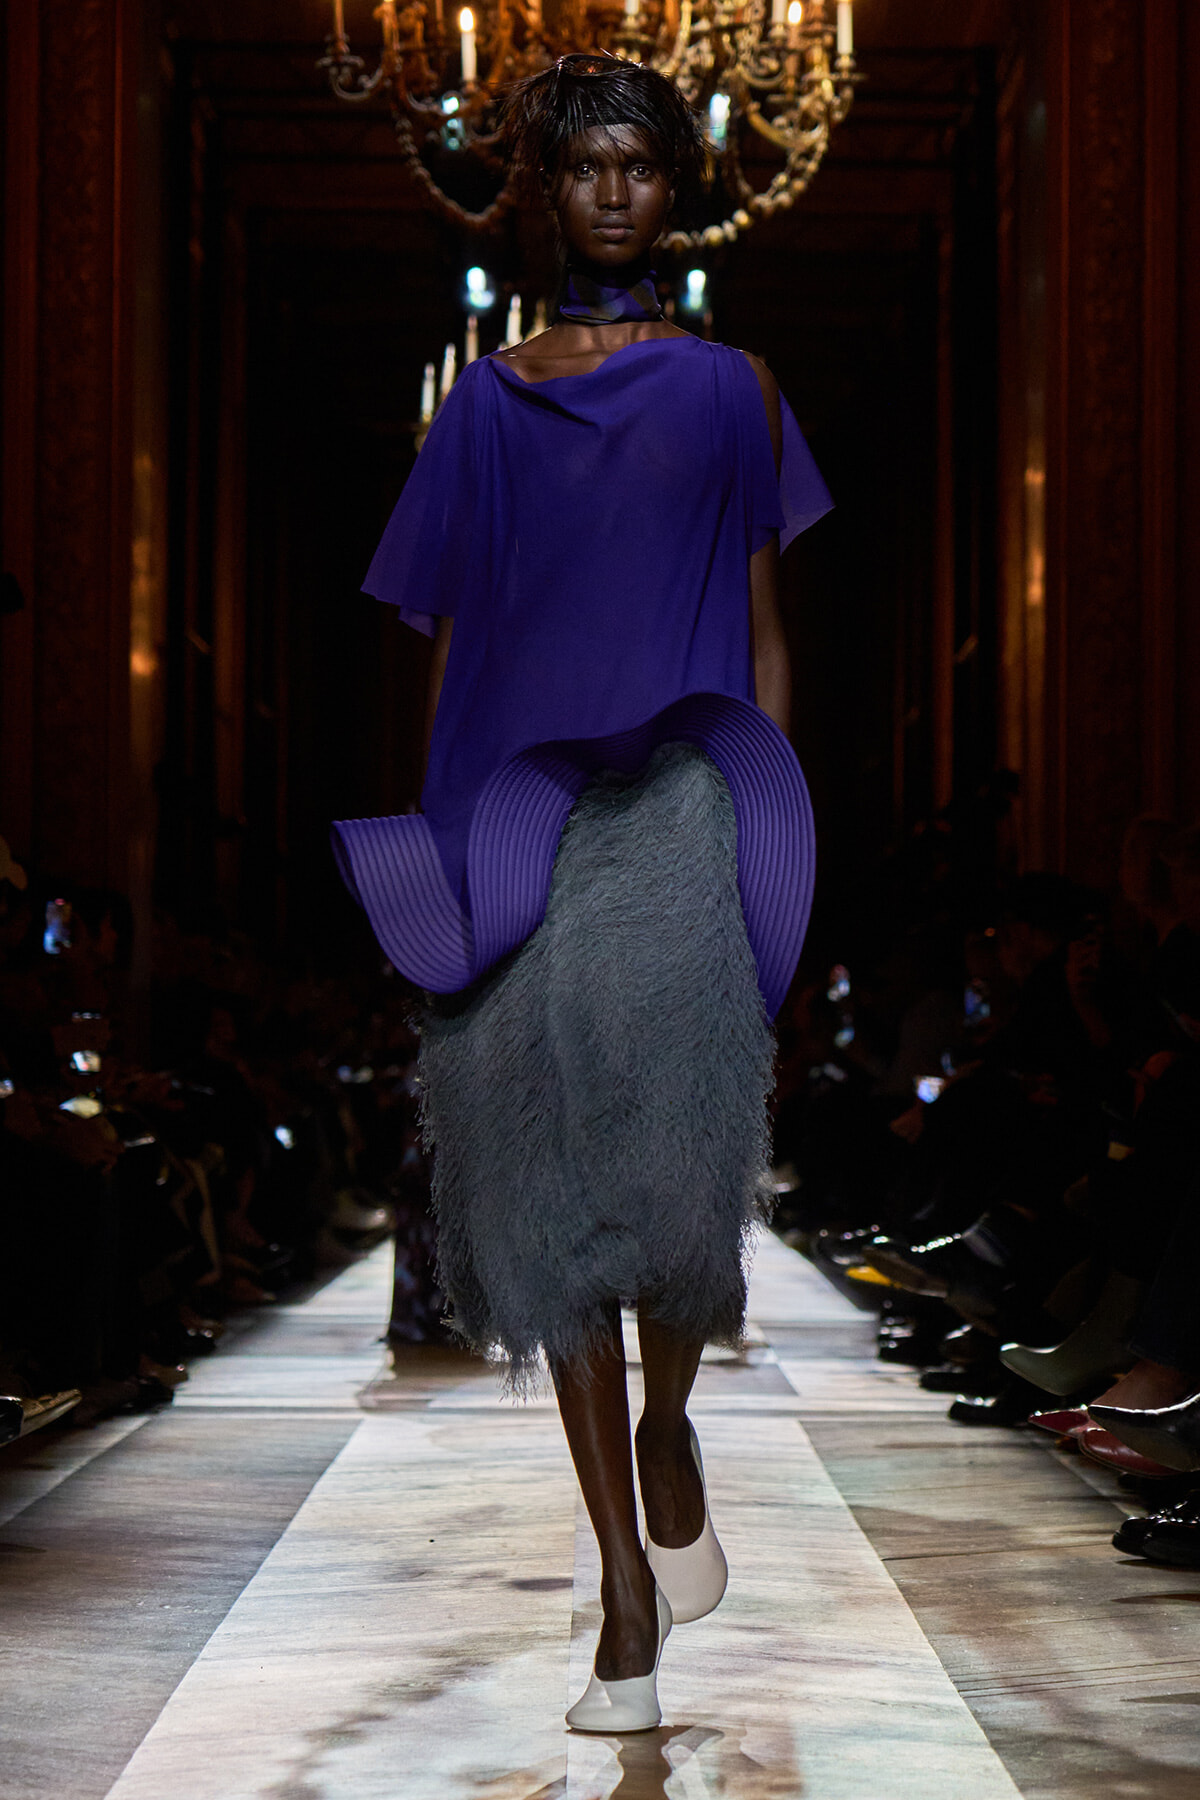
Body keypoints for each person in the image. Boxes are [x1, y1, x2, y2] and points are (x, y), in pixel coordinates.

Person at [332, 53, 832, 1731]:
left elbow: (766, 619)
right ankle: (623, 1587)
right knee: (545, 1213)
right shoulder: (483, 406)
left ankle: (672, 1425)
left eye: (638, 166)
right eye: (585, 168)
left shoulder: (737, 391)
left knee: (682, 1191)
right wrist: (442, 836)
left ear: (670, 185)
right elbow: (453, 637)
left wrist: (779, 824)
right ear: (543, 188)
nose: (613, 192)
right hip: (516, 820)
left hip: (689, 800)